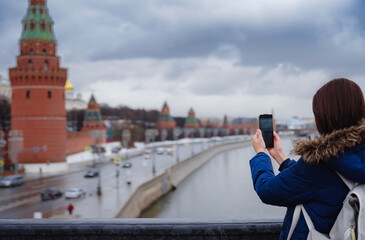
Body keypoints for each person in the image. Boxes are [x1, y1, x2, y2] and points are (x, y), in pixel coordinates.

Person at [250, 78, 365, 239]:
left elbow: (266, 190)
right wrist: (279, 155)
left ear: (325, 118)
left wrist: (261, 154)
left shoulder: (319, 164)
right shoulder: (357, 153)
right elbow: (311, 180)